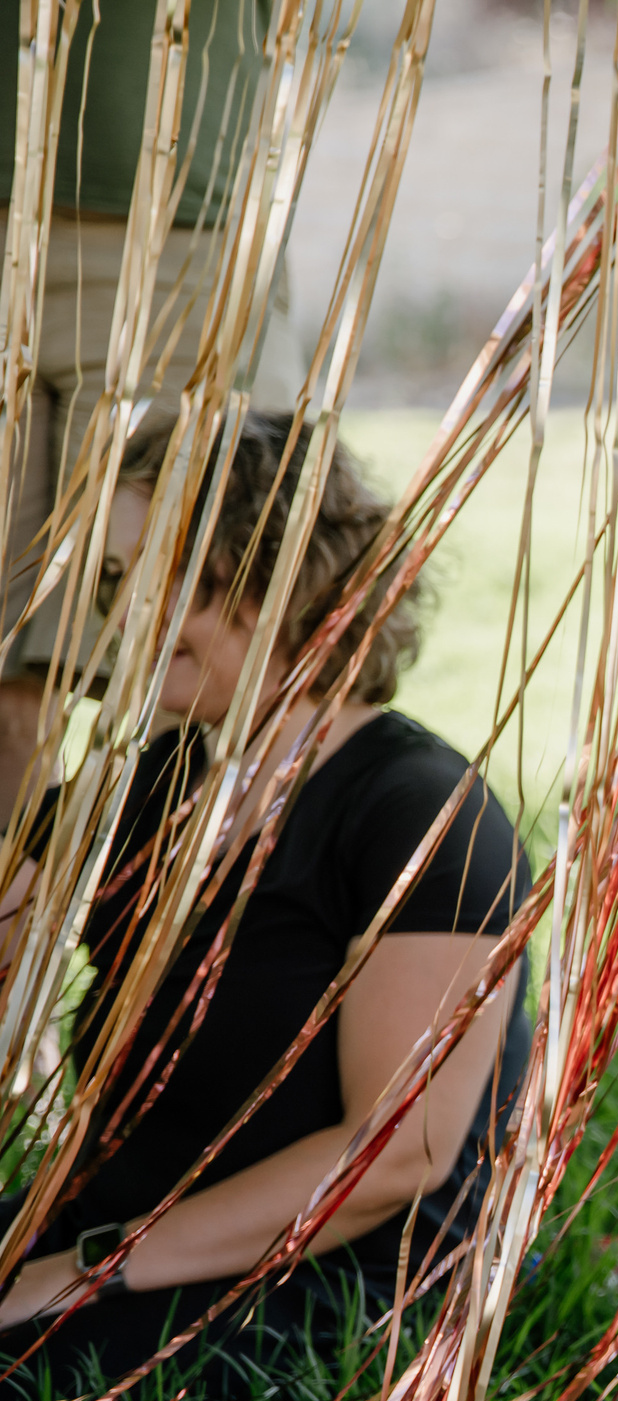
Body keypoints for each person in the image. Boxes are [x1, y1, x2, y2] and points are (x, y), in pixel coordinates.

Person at [0, 412, 530, 1401]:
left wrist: (84, 1268)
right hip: (130, 1224)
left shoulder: (421, 811)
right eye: (120, 583)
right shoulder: (158, 777)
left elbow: (394, 1155)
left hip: (320, 1277)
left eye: (177, 583)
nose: (131, 618)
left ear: (288, 582)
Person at [1, 0, 299, 812]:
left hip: (181, 246)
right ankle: (21, 922)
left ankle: (178, 923)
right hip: (7, 229)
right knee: (9, 687)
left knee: (181, 662)